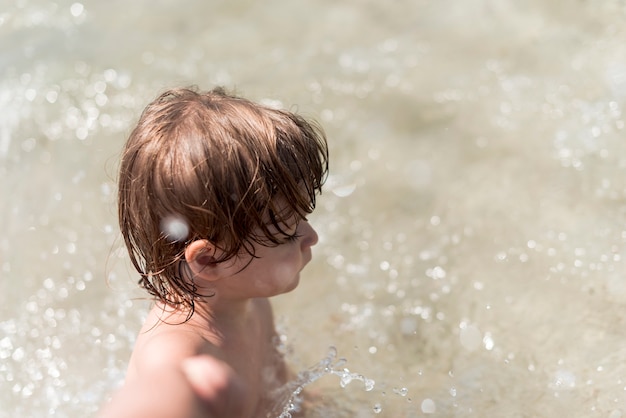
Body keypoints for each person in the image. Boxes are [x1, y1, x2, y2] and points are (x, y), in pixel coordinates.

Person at [99, 86, 328, 418]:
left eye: (303, 220)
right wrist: (184, 388)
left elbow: (283, 393)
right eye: (289, 232)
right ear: (210, 259)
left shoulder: (249, 299)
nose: (312, 237)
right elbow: (150, 401)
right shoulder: (181, 357)